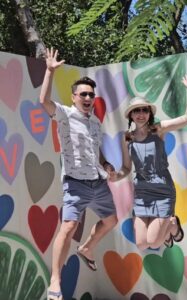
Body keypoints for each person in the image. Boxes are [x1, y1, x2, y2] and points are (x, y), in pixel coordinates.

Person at [39, 48, 117, 300]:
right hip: (75, 184)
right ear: (73, 97)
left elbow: (98, 152)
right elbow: (44, 102)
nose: (87, 97)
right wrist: (50, 72)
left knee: (111, 221)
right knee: (69, 225)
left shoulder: (95, 122)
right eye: (83, 94)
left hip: (98, 182)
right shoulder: (65, 114)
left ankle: (86, 248)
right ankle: (55, 279)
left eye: (91, 95)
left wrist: (107, 166)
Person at [109, 75, 187, 250]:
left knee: (155, 242)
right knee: (141, 244)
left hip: (163, 191)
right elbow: (126, 168)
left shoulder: (158, 129)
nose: (141, 114)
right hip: (142, 193)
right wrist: (115, 176)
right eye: (137, 111)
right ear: (131, 115)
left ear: (149, 113)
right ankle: (170, 226)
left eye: (144, 110)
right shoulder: (127, 138)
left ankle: (173, 225)